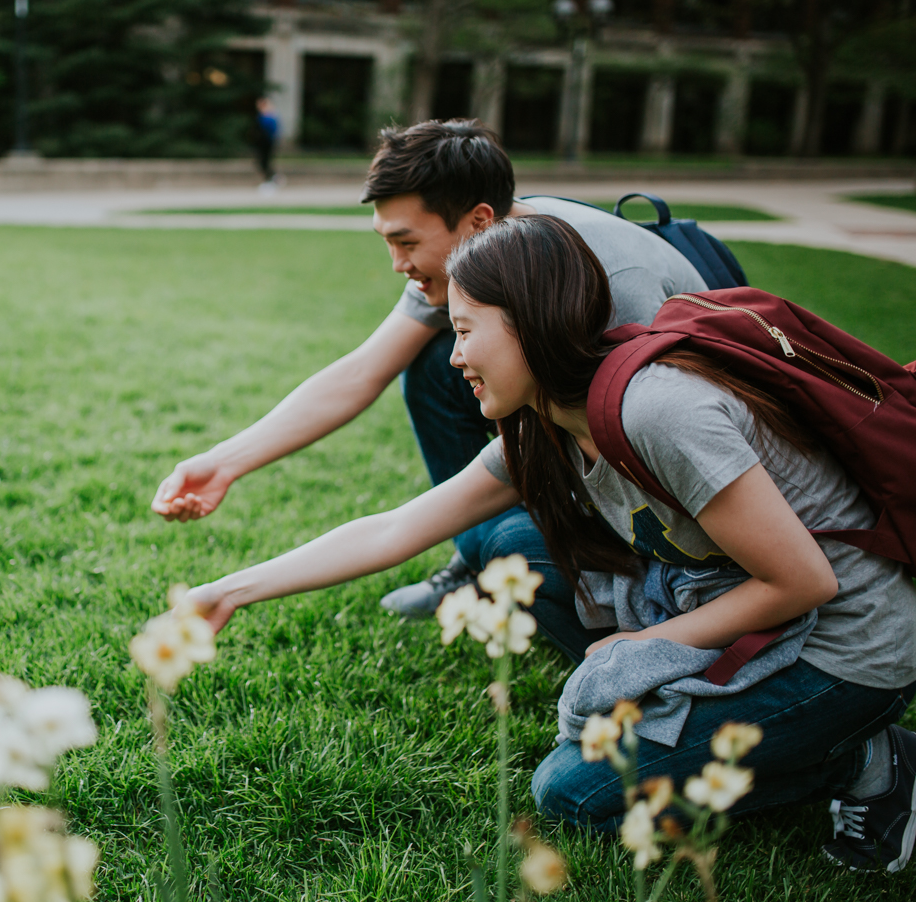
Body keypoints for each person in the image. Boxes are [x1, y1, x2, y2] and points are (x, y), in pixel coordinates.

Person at [181, 214, 916, 869]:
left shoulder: (660, 410)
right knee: (505, 547)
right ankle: (716, 717)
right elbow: (398, 527)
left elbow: (806, 582)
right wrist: (231, 590)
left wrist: (643, 648)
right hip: (729, 593)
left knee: (573, 794)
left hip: (849, 646)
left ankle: (864, 760)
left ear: (530, 322)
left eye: (466, 331)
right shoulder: (544, 420)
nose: (455, 357)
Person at [151, 118, 707, 629]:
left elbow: (678, 444)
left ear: (479, 221)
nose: (396, 264)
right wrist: (223, 464)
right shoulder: (485, 264)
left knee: (515, 545)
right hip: (576, 433)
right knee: (431, 373)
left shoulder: (605, 285)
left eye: (407, 242)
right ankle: (475, 557)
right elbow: (364, 372)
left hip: (681, 493)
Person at [254, 97, 280, 185]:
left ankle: (271, 179)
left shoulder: (269, 116)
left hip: (267, 141)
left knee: (265, 161)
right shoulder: (264, 115)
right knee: (262, 161)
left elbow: (270, 130)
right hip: (262, 142)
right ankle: (269, 179)